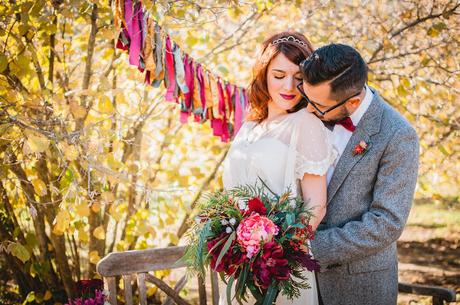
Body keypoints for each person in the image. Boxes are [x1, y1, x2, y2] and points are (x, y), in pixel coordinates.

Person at [298, 44, 419, 305]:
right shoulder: (308, 115)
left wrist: (309, 249)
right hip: (299, 285)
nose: (307, 110)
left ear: (352, 101)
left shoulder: (398, 135)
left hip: (358, 286)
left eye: (317, 105)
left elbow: (387, 222)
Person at [222, 32, 337, 305]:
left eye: (299, 79)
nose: (289, 86)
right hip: (238, 259)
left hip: (278, 266)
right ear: (263, 75)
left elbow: (315, 206)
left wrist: (276, 254)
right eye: (279, 75)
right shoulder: (250, 126)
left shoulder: (305, 124)